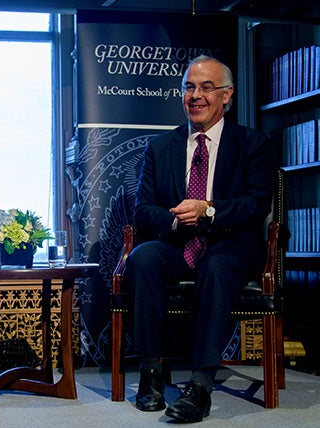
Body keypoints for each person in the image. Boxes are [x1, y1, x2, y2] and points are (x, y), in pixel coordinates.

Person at [124, 55, 275, 422]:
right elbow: (142, 210)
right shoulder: (161, 148)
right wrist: (177, 220)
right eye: (189, 87)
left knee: (217, 264)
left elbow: (256, 205)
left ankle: (201, 384)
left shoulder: (252, 144)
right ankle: (151, 372)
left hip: (230, 247)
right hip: (179, 243)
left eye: (207, 87)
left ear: (227, 95)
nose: (196, 95)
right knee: (143, 257)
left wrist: (207, 209)